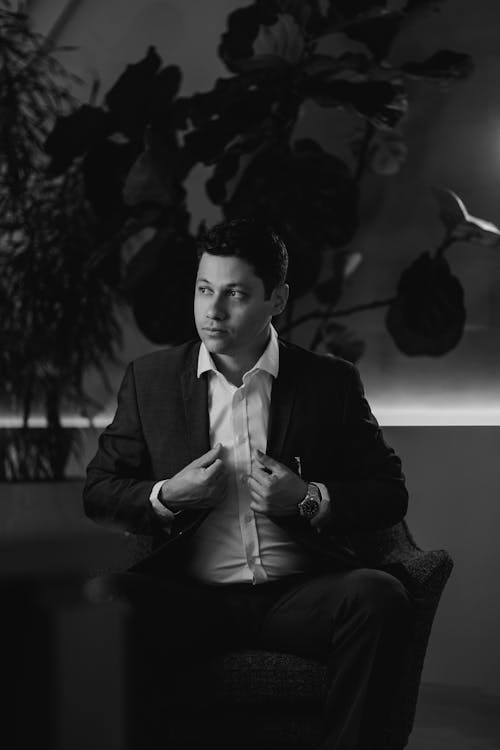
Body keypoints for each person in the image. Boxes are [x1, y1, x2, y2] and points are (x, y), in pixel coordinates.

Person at [84, 217, 412, 750]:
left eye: (234, 294)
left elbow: (389, 491)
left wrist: (308, 498)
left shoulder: (329, 382)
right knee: (104, 598)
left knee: (380, 597)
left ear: (277, 299)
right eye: (204, 289)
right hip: (190, 598)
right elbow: (98, 490)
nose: (212, 311)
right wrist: (167, 495)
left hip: (298, 595)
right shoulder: (151, 380)